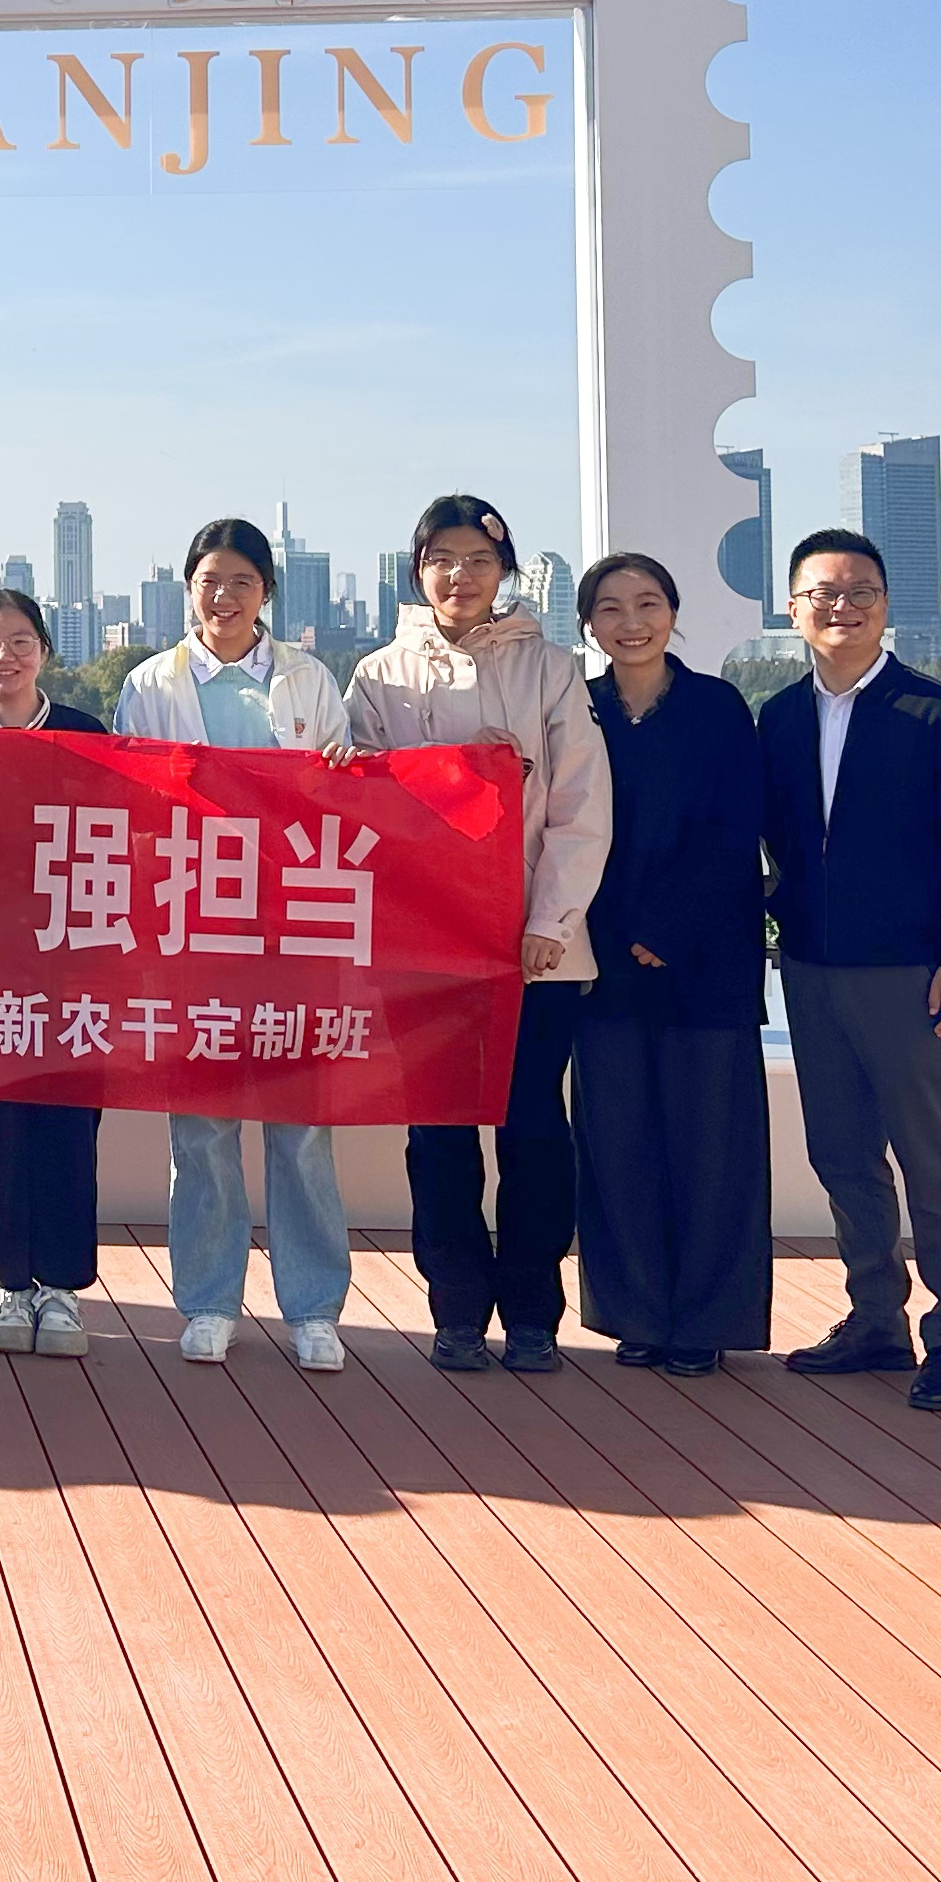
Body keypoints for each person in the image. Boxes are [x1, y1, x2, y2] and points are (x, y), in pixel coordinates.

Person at [350, 495, 612, 1374]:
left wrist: (551, 921)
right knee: (439, 1135)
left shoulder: (550, 669)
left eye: (478, 560)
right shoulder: (379, 676)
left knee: (533, 1129)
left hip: (536, 950)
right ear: (416, 571)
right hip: (424, 950)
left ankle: (534, 1311)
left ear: (505, 571)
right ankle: (456, 1307)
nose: (459, 576)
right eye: (441, 560)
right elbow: (362, 806)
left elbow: (582, 805)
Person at [762, 528, 941, 1411]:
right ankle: (875, 1320)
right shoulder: (779, 717)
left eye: (859, 590)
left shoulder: (936, 712)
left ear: (886, 604)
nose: (842, 606)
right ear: (794, 609)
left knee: (936, 1164)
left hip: (911, 977)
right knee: (842, 1156)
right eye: (822, 593)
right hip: (811, 970)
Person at [115, 520, 357, 1369]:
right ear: (188, 588)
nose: (224, 597)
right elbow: (130, 803)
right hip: (196, 926)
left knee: (302, 1125)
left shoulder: (309, 679)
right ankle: (209, 1299)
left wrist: (344, 768)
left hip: (294, 928)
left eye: (242, 582)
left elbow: (345, 803)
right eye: (210, 581)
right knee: (202, 1128)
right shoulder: (151, 683)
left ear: (267, 593)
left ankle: (314, 1306)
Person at [571, 553, 772, 1375]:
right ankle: (637, 1313)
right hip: (601, 960)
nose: (632, 622)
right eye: (611, 608)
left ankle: (705, 1322)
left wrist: (669, 926)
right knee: (618, 1143)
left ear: (674, 612)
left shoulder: (718, 708)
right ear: (588, 625)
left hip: (705, 961)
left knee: (711, 1147)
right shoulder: (577, 709)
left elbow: (737, 829)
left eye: (648, 603)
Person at [0, 587, 110, 1355]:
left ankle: (62, 1289)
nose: (4, 657)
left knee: (68, 1120)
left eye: (20, 642)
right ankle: (10, 1283)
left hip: (74, 960)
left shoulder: (86, 735)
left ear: (44, 650)